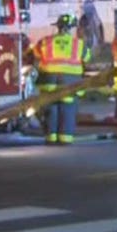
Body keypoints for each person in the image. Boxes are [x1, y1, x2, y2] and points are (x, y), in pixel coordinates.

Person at [33, 14, 89, 145]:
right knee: (68, 109)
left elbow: (35, 53)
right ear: (71, 28)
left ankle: (51, 137)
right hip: (70, 82)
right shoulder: (78, 44)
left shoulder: (45, 41)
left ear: (58, 26)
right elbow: (87, 57)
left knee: (50, 109)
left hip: (48, 80)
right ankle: (65, 138)